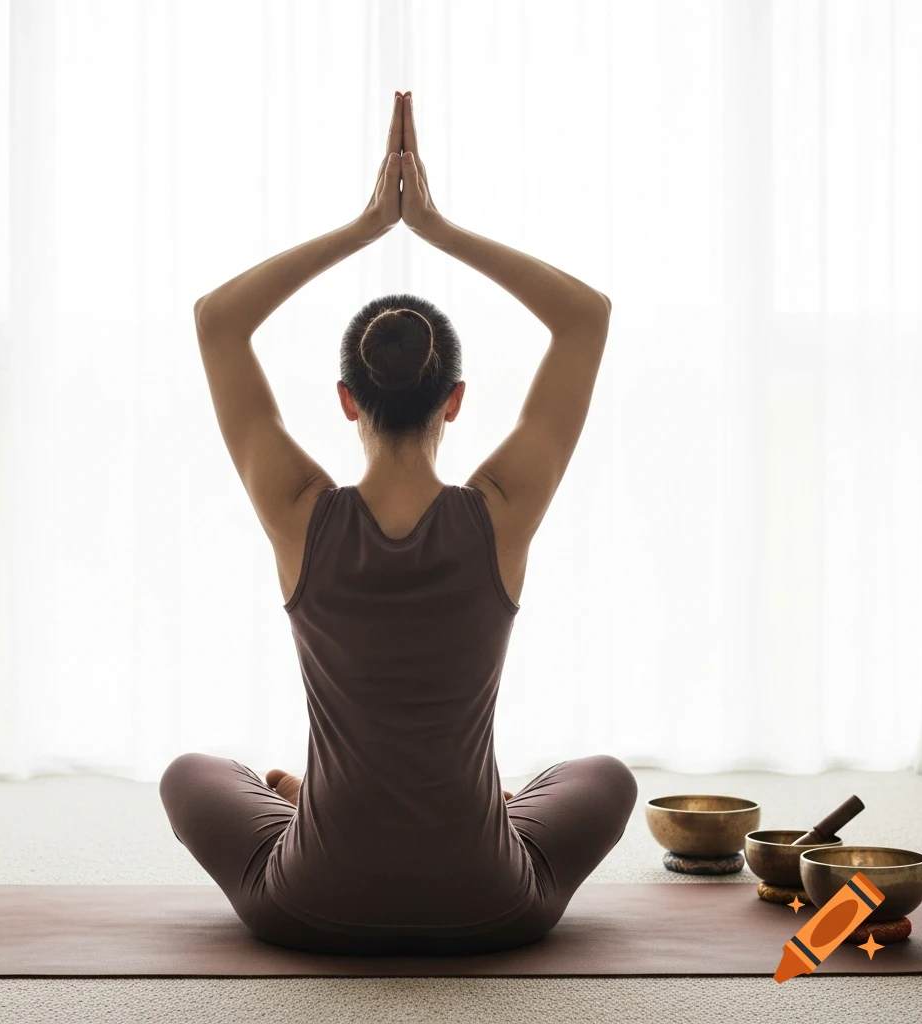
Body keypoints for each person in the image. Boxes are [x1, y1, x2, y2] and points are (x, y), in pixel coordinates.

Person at [159, 90, 637, 955]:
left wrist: (368, 226)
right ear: (455, 400)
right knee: (602, 777)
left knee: (192, 774)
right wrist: (438, 228)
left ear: (347, 401)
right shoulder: (502, 514)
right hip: (492, 901)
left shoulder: (300, 514)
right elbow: (585, 318)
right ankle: (463, 812)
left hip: (310, 903)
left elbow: (217, 322)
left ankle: (320, 802)